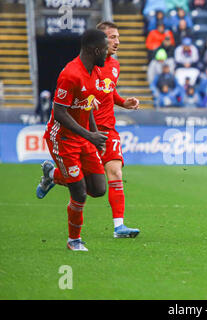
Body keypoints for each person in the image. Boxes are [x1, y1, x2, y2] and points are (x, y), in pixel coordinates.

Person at [35, 29, 110, 251]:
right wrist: (90, 135)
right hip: (63, 138)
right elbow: (59, 113)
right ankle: (73, 241)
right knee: (78, 191)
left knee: (97, 189)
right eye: (105, 49)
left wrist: (96, 137)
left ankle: (52, 175)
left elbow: (87, 107)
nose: (107, 53)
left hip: (84, 137)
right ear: (95, 50)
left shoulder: (95, 72)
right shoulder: (70, 74)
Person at [93, 21, 141, 238]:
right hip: (85, 129)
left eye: (118, 37)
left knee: (115, 172)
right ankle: (52, 175)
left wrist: (124, 103)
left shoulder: (114, 65)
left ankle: (119, 227)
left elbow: (108, 91)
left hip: (108, 129)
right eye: (112, 37)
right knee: (85, 182)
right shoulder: (85, 65)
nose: (117, 41)